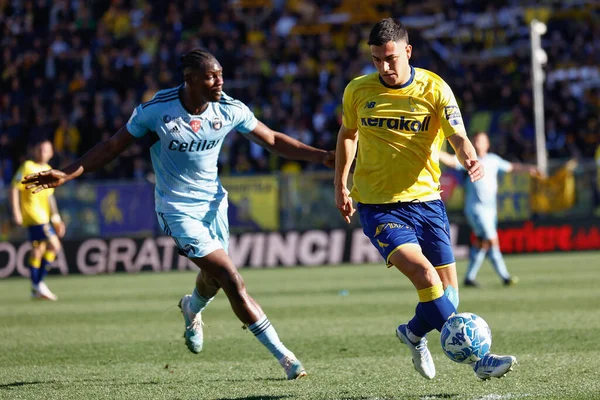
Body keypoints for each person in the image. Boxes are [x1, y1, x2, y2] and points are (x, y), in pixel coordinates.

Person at [22, 49, 335, 380]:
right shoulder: (157, 110)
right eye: (212, 76)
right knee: (231, 278)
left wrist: (322, 156)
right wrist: (68, 173)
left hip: (215, 205)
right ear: (190, 80)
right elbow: (113, 146)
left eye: (221, 74)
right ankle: (285, 358)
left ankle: (191, 307)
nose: (220, 81)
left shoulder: (229, 108)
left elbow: (271, 139)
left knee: (213, 279)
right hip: (175, 208)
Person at [334, 18, 516, 381]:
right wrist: (340, 182)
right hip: (378, 204)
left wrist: (468, 157)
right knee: (424, 274)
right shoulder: (357, 91)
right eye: (376, 60)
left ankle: (413, 333)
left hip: (427, 203)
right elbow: (348, 134)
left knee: (448, 292)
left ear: (408, 51)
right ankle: (479, 361)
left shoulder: (435, 89)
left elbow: (458, 135)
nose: (383, 67)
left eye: (389, 58)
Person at [439, 131, 537, 287]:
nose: (478, 144)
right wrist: (435, 152)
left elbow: (511, 167)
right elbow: (451, 161)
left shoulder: (493, 160)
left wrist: (528, 169)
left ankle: (469, 278)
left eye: (481, 141)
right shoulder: (469, 160)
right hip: (476, 209)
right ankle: (505, 277)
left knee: (482, 243)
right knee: (492, 240)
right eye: (476, 141)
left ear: (487, 144)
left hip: (491, 209)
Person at [10, 139, 66, 301]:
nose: (42, 152)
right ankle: (39, 283)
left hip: (44, 216)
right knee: (54, 245)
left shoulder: (49, 170)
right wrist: (16, 213)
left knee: (38, 249)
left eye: (45, 150)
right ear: (35, 151)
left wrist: (56, 219)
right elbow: (14, 188)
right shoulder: (28, 166)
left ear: (51, 153)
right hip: (33, 215)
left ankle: (36, 287)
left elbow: (50, 198)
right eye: (40, 149)